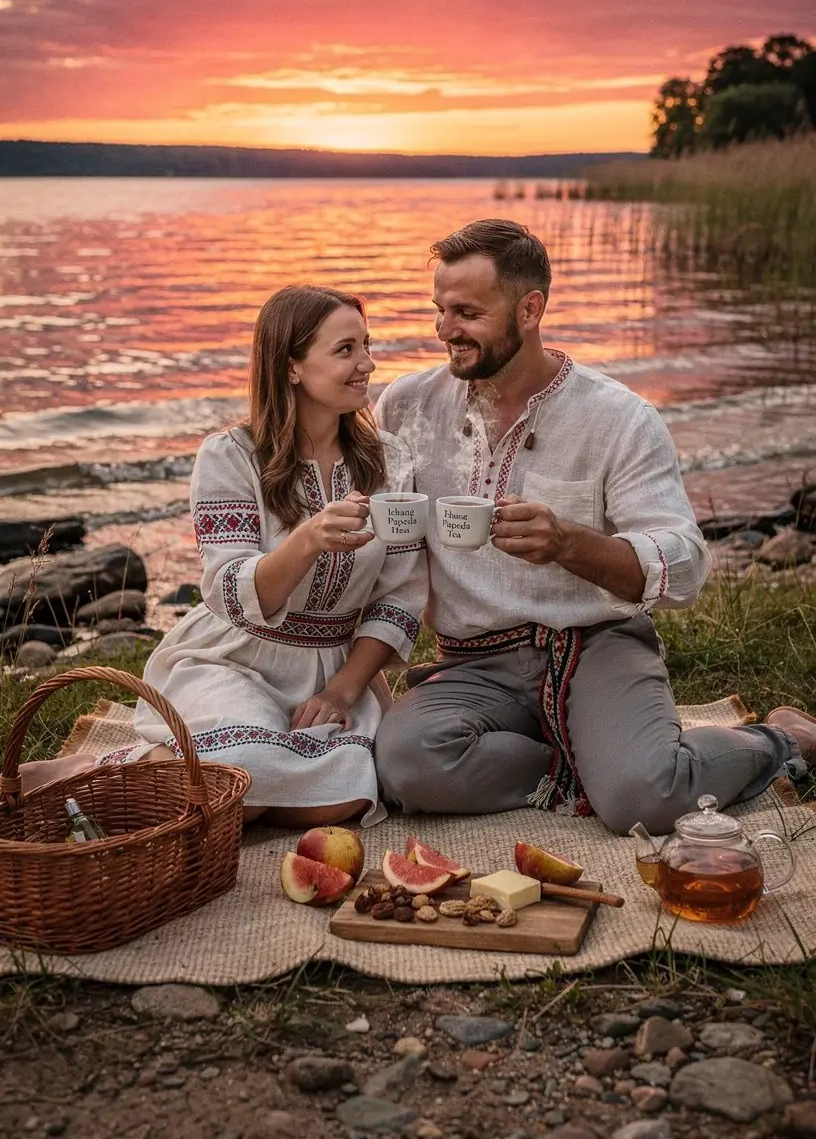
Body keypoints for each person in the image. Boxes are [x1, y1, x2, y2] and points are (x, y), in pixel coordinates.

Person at [373, 219, 813, 833]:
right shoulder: (405, 406)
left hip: (595, 647)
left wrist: (569, 544)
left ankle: (778, 739)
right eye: (439, 310)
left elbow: (684, 564)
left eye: (467, 312)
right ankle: (590, 765)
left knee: (644, 801)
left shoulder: (618, 418)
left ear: (530, 309)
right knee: (403, 763)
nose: (446, 330)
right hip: (473, 663)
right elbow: (380, 532)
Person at [22, 286, 426, 826]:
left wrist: (342, 689)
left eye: (366, 345)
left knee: (350, 794)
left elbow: (399, 594)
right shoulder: (230, 456)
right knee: (243, 769)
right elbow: (228, 587)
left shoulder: (390, 461)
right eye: (346, 350)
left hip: (335, 667)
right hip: (236, 658)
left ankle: (186, 777)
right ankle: (96, 770)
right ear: (291, 368)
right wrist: (307, 539)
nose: (368, 364)